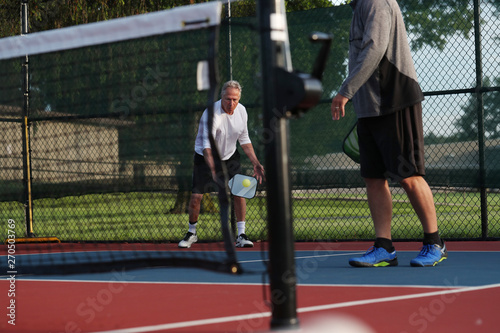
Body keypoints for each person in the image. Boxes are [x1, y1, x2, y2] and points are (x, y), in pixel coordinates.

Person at [331, 0, 447, 267]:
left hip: (394, 99)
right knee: (373, 178)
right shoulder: (359, 6)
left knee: (409, 176)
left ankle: (435, 242)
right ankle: (384, 247)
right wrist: (355, 97)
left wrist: (345, 91)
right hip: (368, 107)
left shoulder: (377, 2)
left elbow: (375, 48)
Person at [178, 80, 265, 249]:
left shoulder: (242, 111)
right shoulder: (211, 114)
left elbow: (244, 139)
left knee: (239, 192)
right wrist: (212, 169)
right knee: (196, 197)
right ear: (221, 97)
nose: (231, 103)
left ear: (239, 99)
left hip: (230, 156)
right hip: (205, 156)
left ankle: (241, 235)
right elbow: (206, 146)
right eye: (228, 99)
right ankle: (192, 233)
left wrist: (256, 162)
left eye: (235, 99)